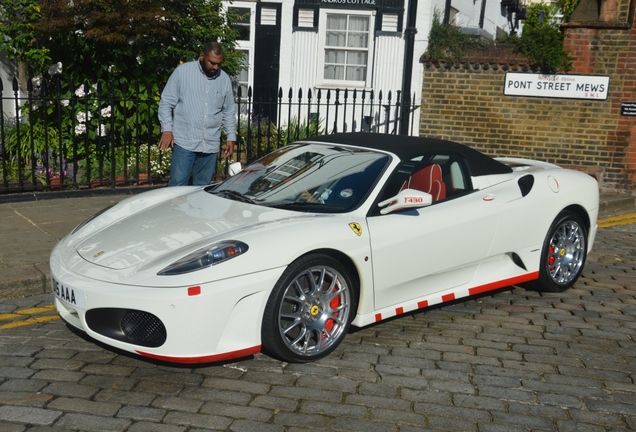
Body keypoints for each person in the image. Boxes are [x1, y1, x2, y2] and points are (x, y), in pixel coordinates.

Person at [158, 42, 236, 186]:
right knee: (177, 187)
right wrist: (167, 129)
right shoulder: (182, 72)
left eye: (219, 64)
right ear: (202, 56)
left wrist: (231, 136)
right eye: (212, 63)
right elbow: (167, 102)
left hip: (210, 144)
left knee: (201, 190)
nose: (216, 67)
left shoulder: (224, 79)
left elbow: (229, 110)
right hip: (185, 142)